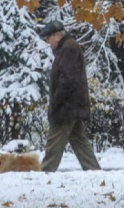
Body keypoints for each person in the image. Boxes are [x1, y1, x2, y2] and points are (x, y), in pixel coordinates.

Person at [39, 20, 101, 172]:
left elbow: (67, 80)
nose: (48, 43)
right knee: (80, 142)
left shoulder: (69, 49)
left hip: (66, 108)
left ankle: (45, 173)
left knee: (54, 144)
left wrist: (57, 102)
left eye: (49, 38)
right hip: (73, 106)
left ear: (57, 35)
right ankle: (94, 172)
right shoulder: (67, 47)